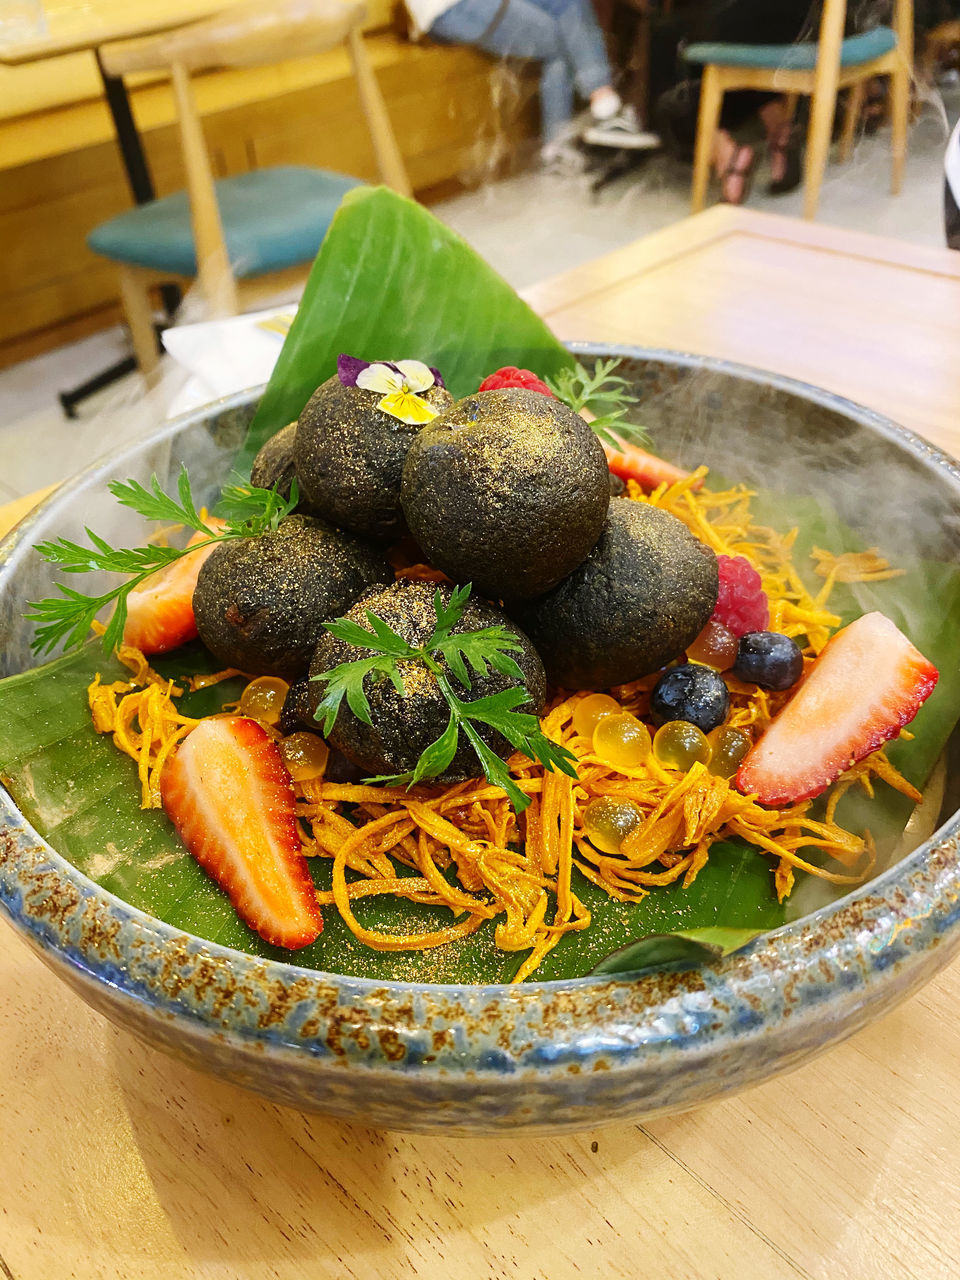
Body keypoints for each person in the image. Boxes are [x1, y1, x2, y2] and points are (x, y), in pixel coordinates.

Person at [405, 0, 660, 164]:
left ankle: (592, 115)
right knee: (562, 41)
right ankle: (590, 121)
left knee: (569, 5)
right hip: (451, 7)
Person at [654, 0, 818, 202]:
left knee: (669, 37)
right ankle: (779, 129)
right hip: (815, 18)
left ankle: (726, 154)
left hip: (780, 19)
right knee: (720, 31)